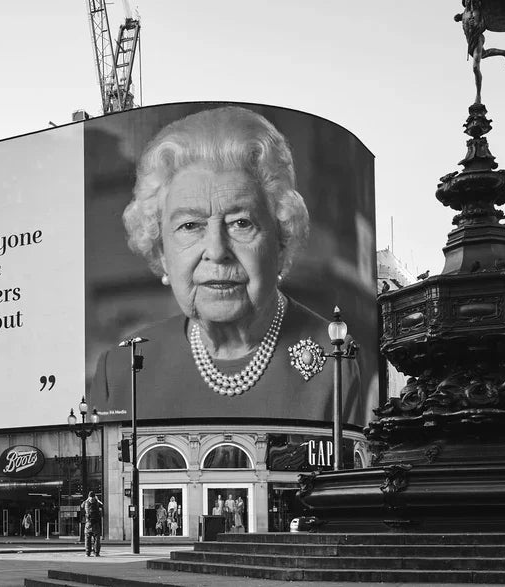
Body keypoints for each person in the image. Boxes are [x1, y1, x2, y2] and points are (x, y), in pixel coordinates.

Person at [90, 106, 359, 421]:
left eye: (241, 223)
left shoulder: (340, 359)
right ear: (162, 252)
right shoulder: (120, 370)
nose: (217, 251)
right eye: (190, 226)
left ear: (281, 242)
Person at [81, 491, 103, 557]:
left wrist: (87, 499)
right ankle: (96, 553)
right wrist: (97, 499)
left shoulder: (86, 503)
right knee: (97, 539)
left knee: (87, 539)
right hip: (96, 524)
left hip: (88, 523)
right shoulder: (97, 503)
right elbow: (102, 505)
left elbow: (81, 506)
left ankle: (87, 553)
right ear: (94, 496)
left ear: (89, 497)